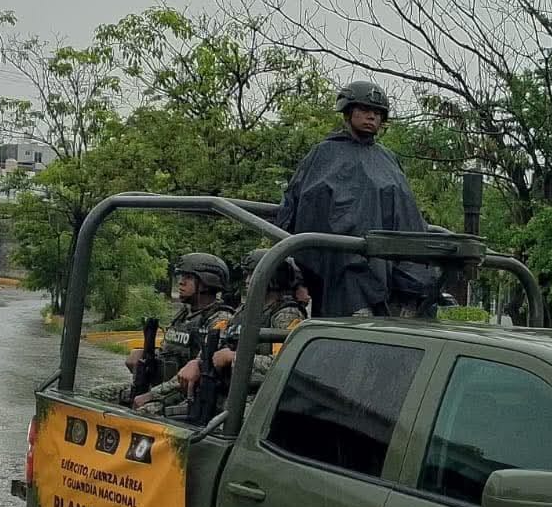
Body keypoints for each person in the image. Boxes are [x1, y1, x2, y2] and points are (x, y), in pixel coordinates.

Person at [277, 80, 438, 318]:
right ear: (348, 112)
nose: (371, 117)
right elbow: (304, 210)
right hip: (342, 267)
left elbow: (406, 215)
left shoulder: (388, 160)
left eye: (377, 113)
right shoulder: (324, 154)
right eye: (364, 110)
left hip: (391, 267)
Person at [90, 252, 232, 416]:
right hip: (162, 388)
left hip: (189, 395)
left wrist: (151, 395)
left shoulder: (219, 320)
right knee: (97, 395)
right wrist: (144, 357)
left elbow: (201, 368)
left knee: (142, 412)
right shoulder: (184, 315)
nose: (181, 282)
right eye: (181, 276)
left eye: (188, 277)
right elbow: (170, 353)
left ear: (206, 283)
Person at [174, 247, 309, 399]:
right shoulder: (244, 311)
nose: (247, 281)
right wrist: (198, 362)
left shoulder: (286, 314)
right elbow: (217, 345)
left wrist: (234, 357)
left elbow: (286, 364)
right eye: (247, 275)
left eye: (253, 274)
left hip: (261, 398)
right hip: (231, 391)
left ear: (272, 278)